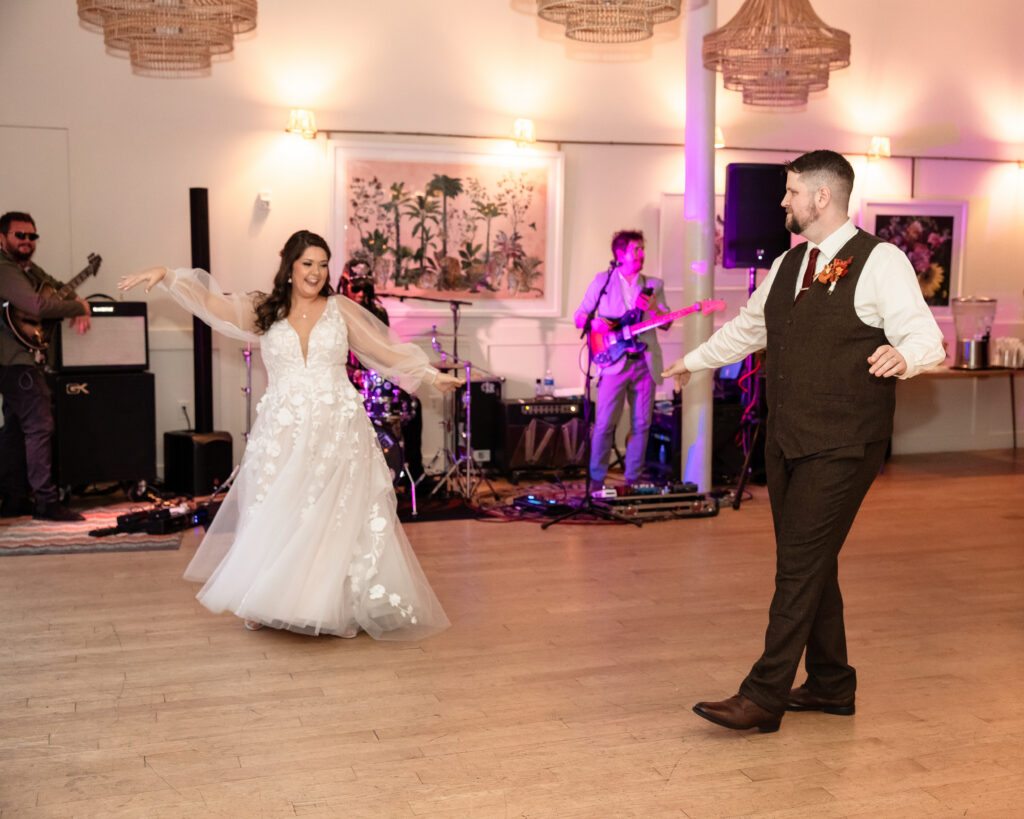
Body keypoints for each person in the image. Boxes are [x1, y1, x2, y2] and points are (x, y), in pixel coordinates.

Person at [662, 150, 946, 732]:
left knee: (797, 566)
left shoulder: (880, 260)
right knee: (811, 561)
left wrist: (905, 354)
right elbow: (747, 329)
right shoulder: (790, 265)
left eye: (791, 191)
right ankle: (832, 683)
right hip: (788, 439)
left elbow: (927, 338)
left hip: (845, 441)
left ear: (821, 197)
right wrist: (694, 361)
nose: (783, 201)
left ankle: (764, 695)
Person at [118, 230, 460, 639]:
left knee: (335, 513)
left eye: (322, 264)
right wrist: (170, 276)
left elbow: (382, 349)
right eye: (307, 263)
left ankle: (334, 599)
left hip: (338, 424)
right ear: (290, 267)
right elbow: (213, 304)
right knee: (276, 507)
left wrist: (427, 376)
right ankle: (265, 598)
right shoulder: (266, 309)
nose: (315, 272)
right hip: (283, 424)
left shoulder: (340, 309)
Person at [0, 211, 91, 521]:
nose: (27, 241)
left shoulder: (28, 269)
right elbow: (35, 306)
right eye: (19, 235)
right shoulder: (4, 267)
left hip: (16, 361)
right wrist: (79, 307)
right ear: (2, 238)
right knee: (40, 426)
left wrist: (76, 298)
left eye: (32, 236)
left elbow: (55, 287)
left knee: (14, 429)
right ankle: (45, 502)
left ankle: (14, 499)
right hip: (15, 361)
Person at [574, 229, 673, 492]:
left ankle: (633, 480)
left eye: (643, 250)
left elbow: (667, 323)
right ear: (620, 254)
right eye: (636, 250)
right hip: (613, 362)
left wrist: (653, 307)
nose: (641, 255)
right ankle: (596, 480)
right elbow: (579, 316)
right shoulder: (602, 282)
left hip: (644, 362)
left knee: (642, 424)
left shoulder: (654, 285)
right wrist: (594, 323)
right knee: (605, 423)